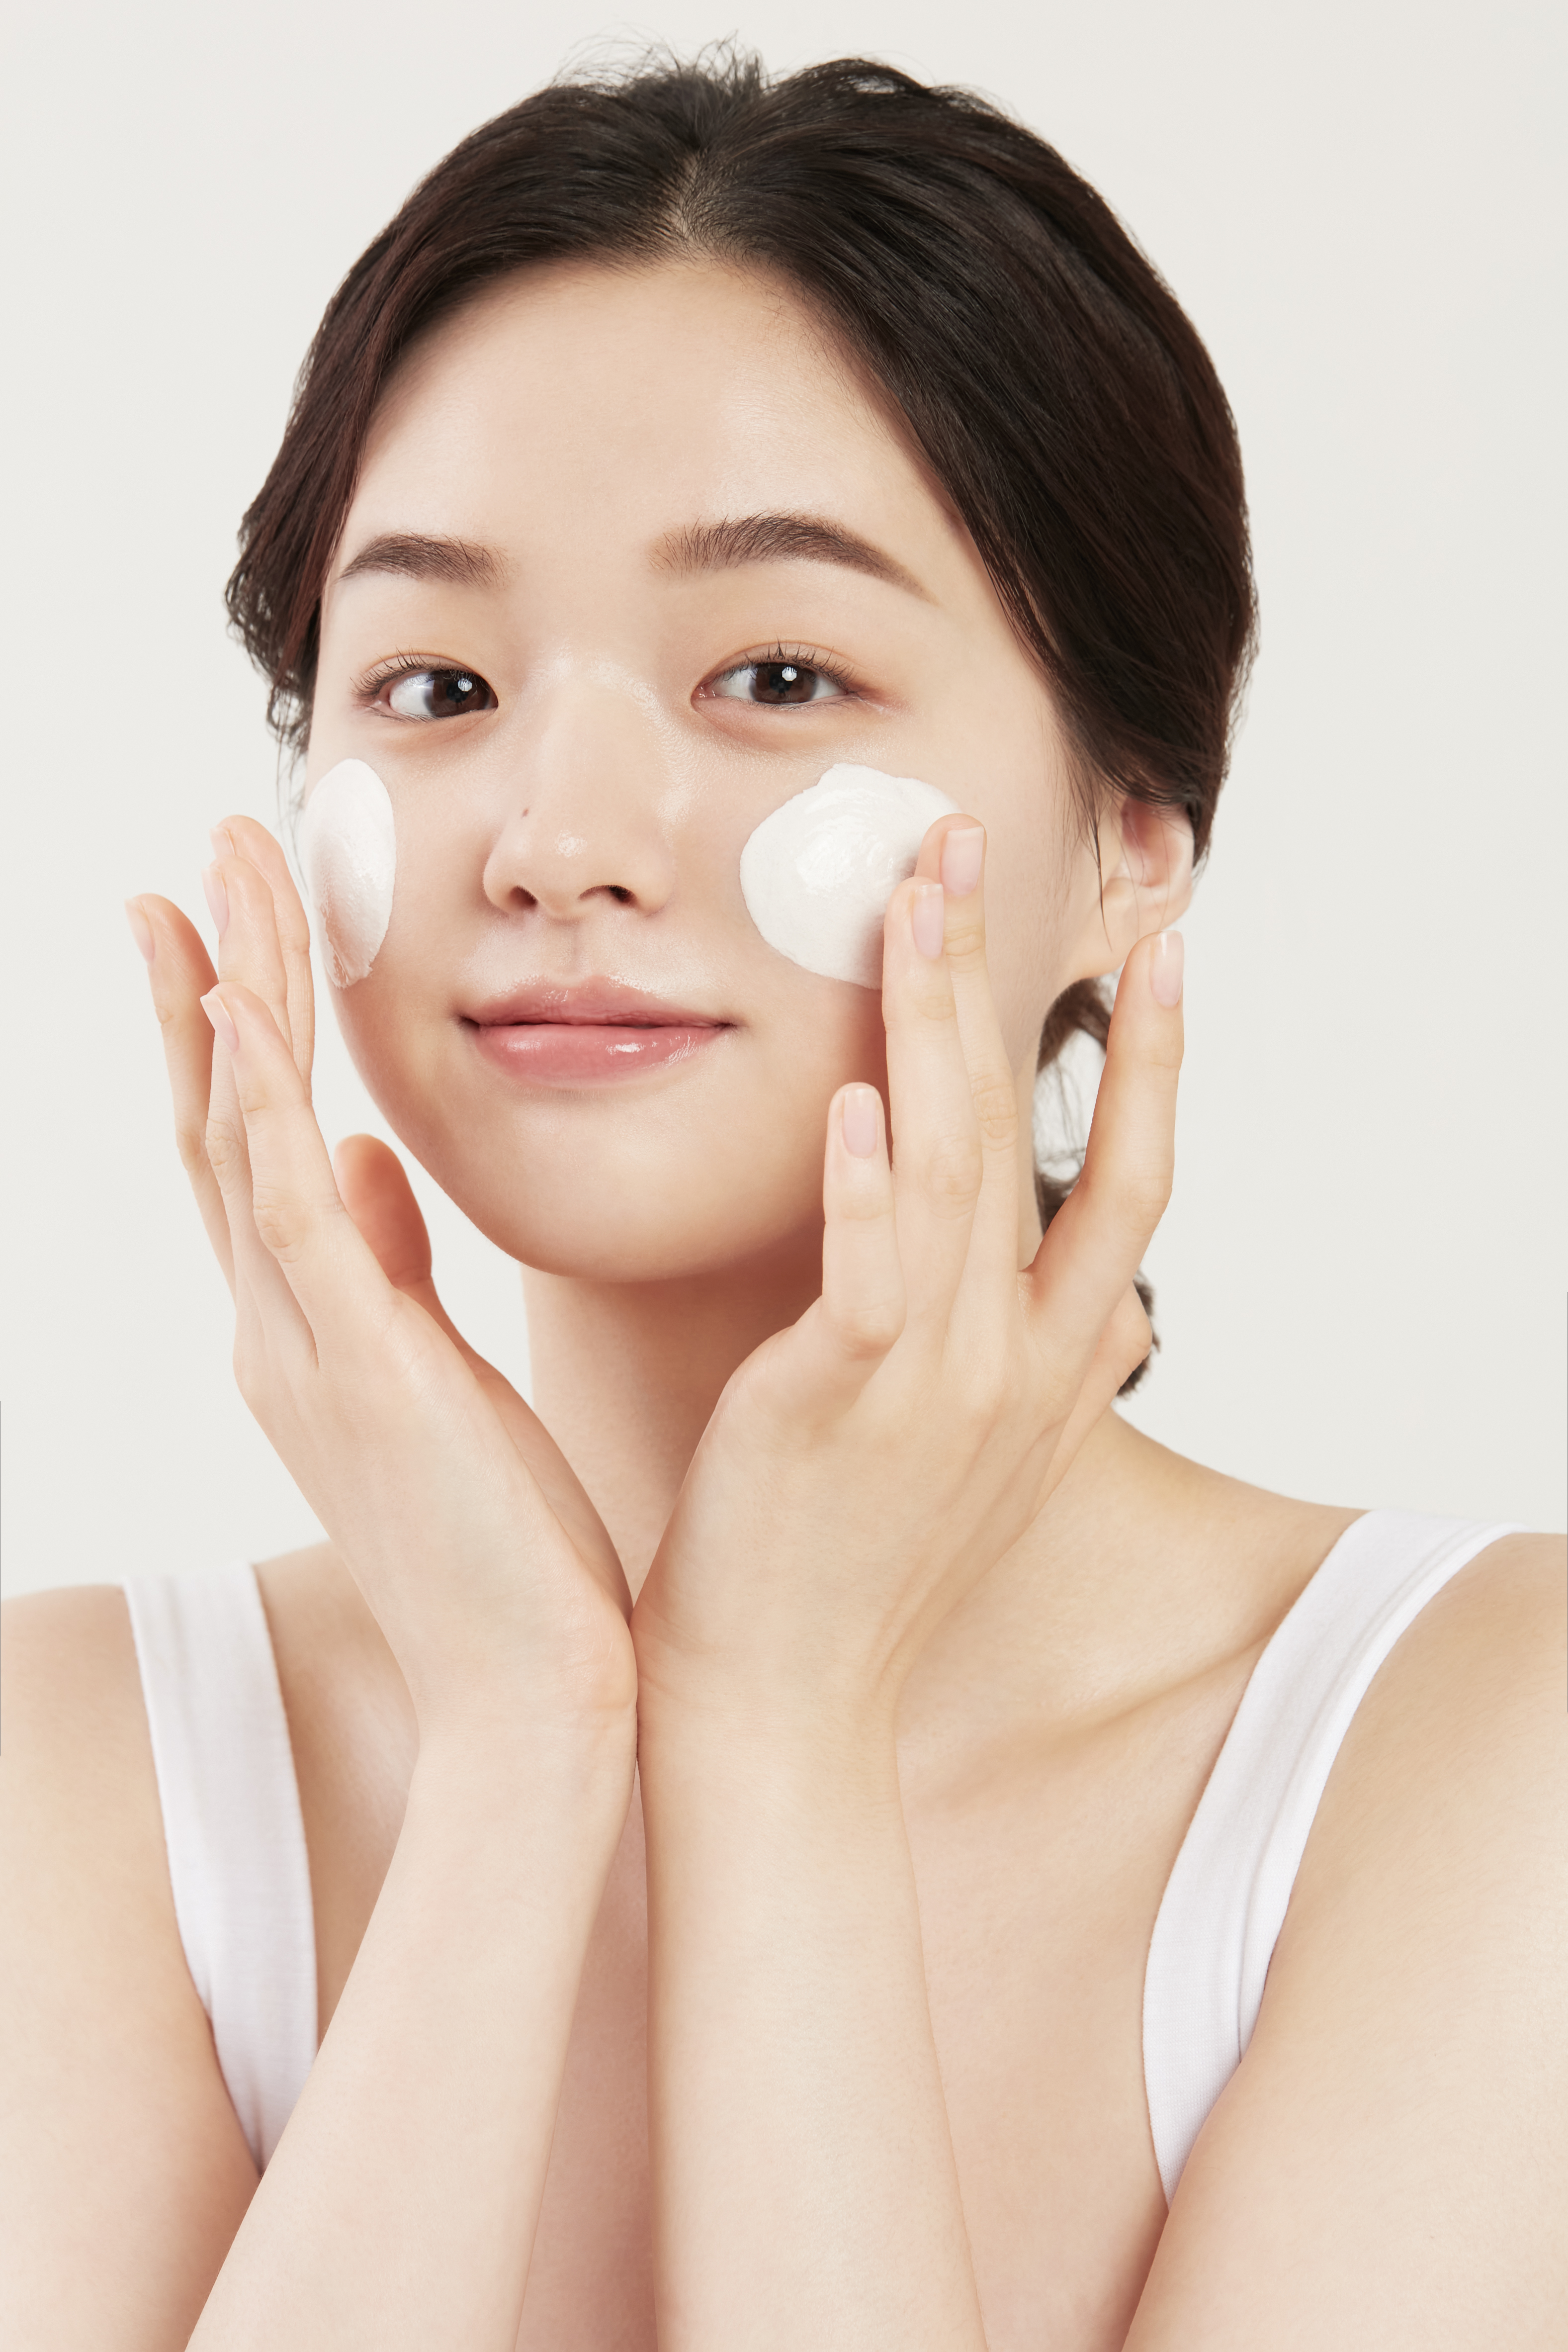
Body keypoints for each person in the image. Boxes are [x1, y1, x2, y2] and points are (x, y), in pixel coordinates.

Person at [2, 48, 1561, 2352]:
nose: (560, 836)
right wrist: (526, 1743)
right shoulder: (80, 1776)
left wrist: (775, 1731)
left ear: (1134, 834)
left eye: (779, 672)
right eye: (435, 679)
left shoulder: (1476, 1750)